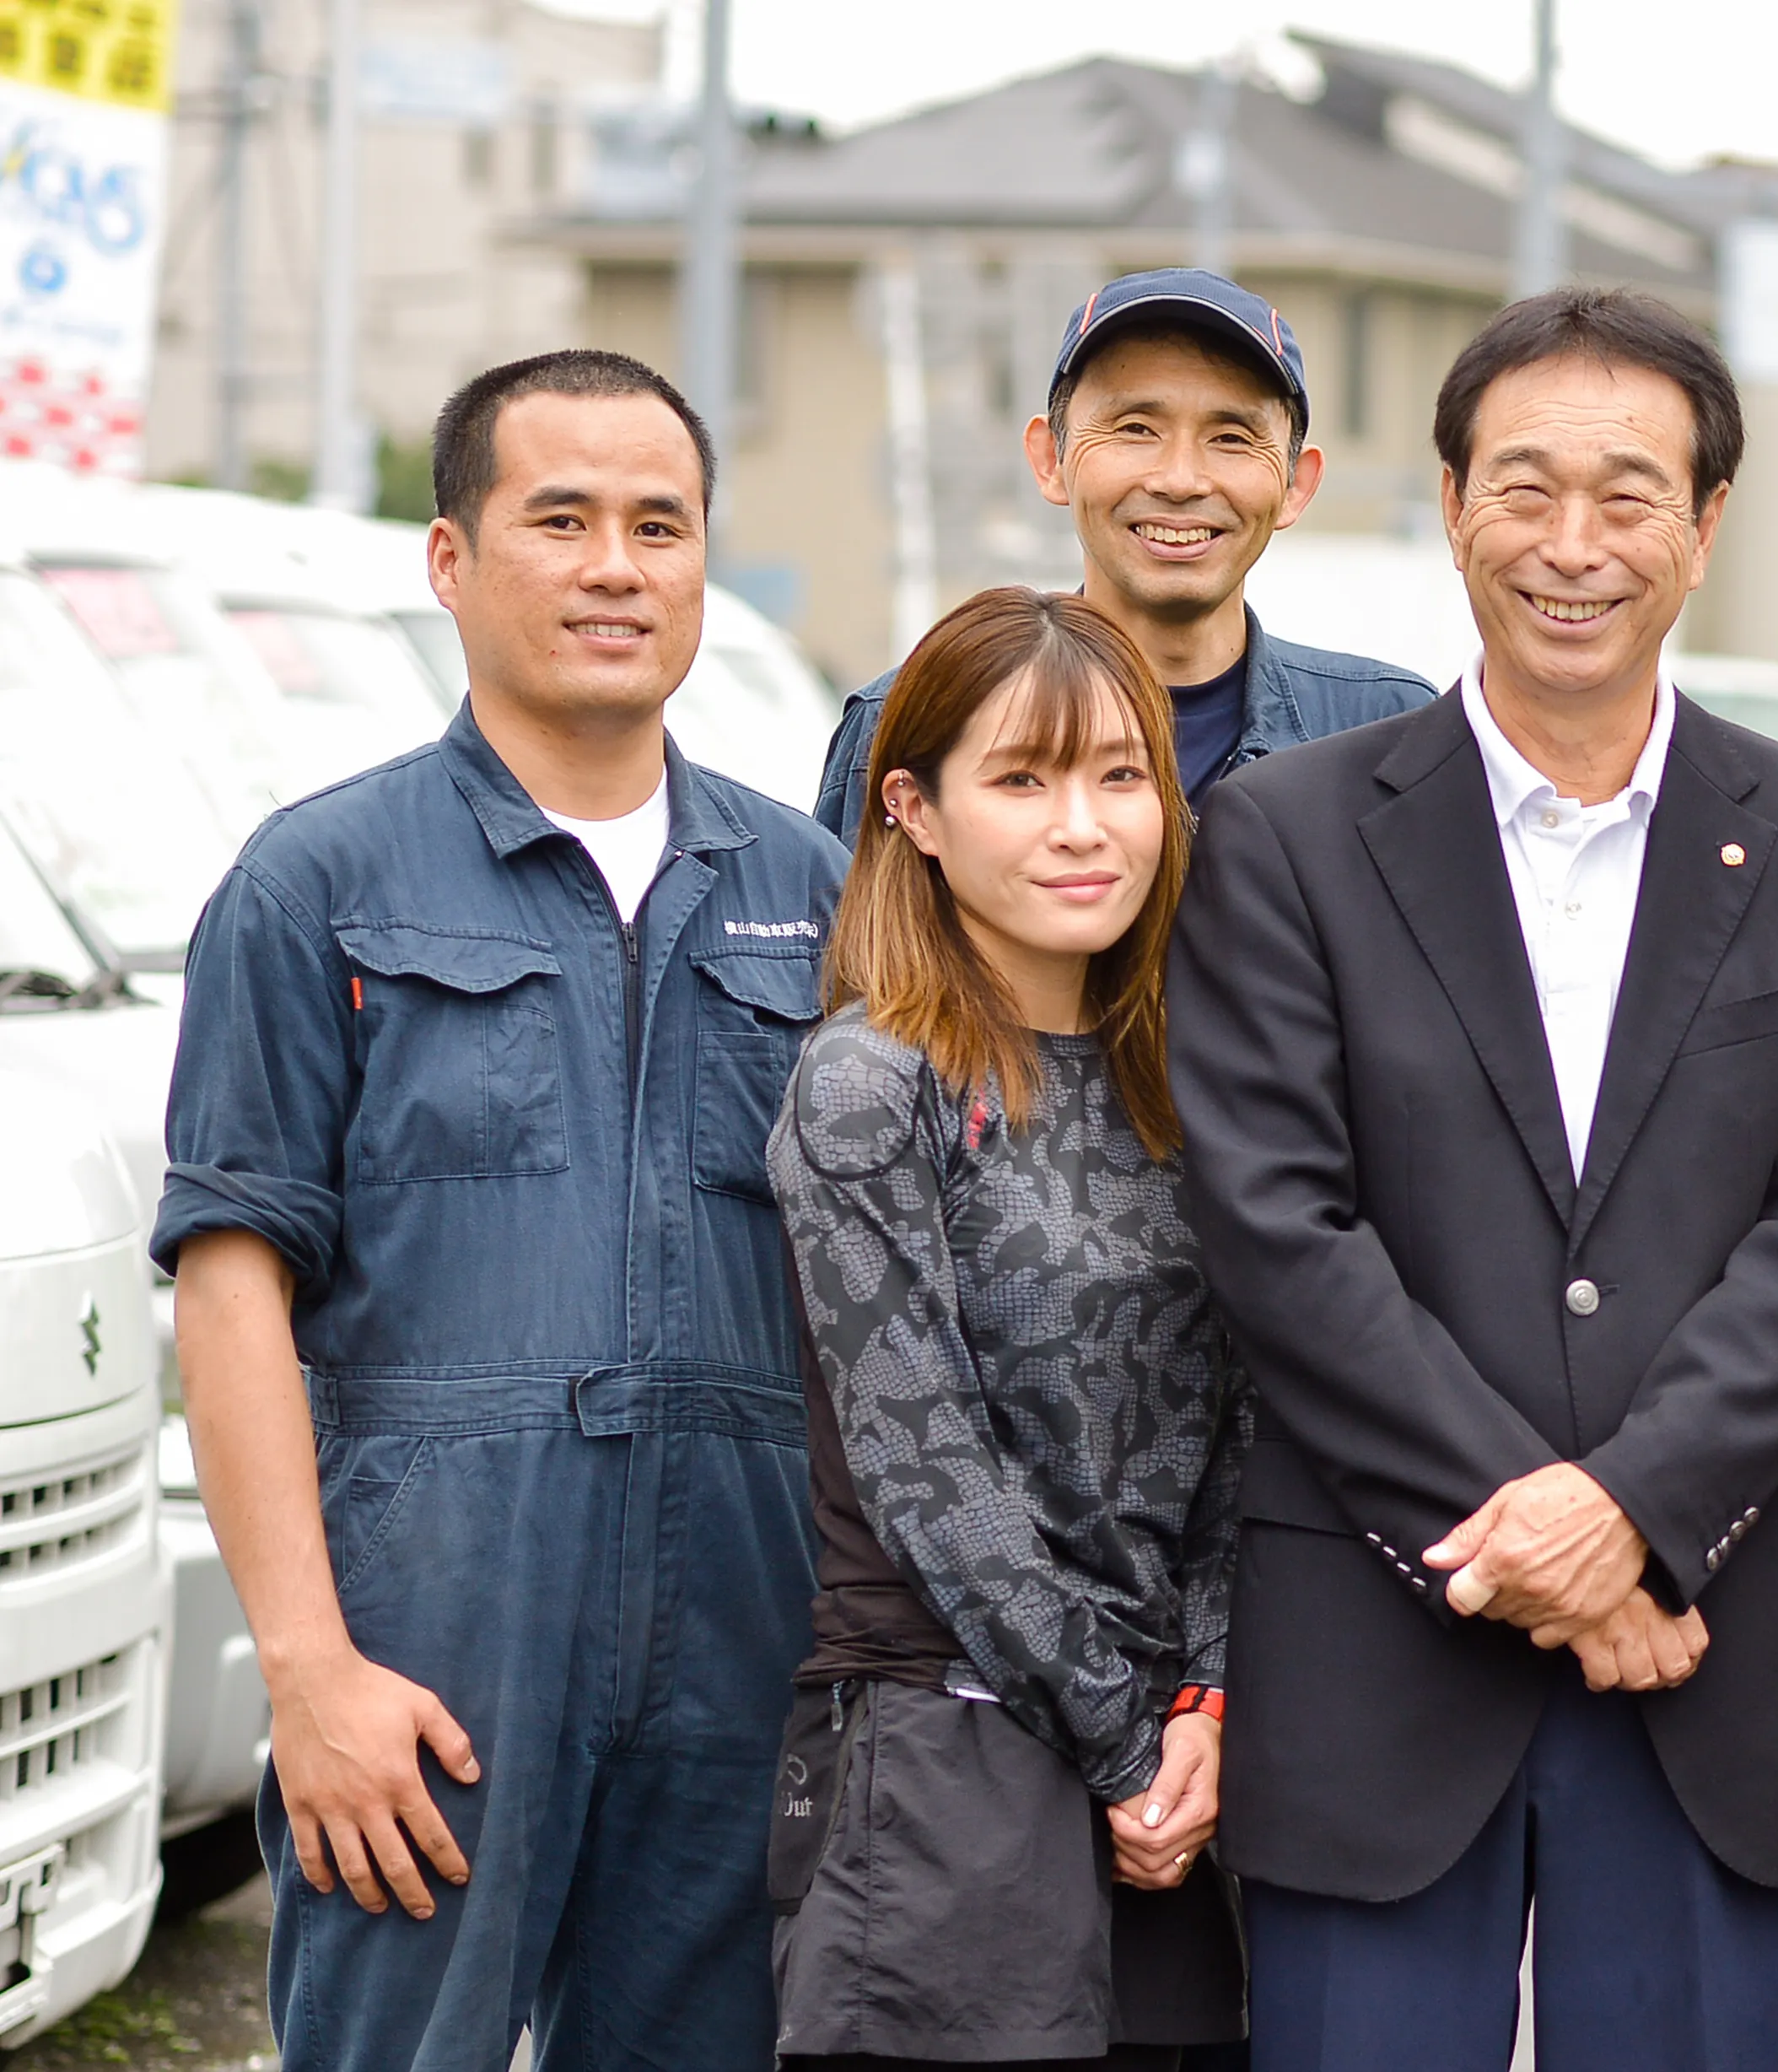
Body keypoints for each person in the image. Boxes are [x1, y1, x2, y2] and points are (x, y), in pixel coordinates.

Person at [1166, 286, 1778, 2072]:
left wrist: (1634, 1514)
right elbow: (1275, 1222)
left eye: (1626, 494)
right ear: (1449, 507)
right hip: (1381, 1642)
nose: (1571, 545)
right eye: (1523, 489)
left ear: (1706, 525)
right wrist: (1539, 1532)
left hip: (1712, 1649)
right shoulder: (1287, 835)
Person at [154, 351, 845, 2069]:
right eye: (563, 519)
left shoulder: (814, 899)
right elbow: (232, 1286)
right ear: (452, 560)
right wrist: (308, 1672)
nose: (618, 565)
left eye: (659, 525)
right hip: (431, 1649)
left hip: (742, 1657)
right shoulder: (318, 884)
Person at [765, 588, 1247, 2069]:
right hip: (947, 1759)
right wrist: (1120, 1743)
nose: (1082, 826)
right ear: (912, 806)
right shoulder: (871, 1083)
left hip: (1183, 1771)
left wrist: (1207, 1703)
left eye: (1119, 776)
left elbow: (1243, 1421)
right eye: (1023, 780)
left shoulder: (1192, 1072)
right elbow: (931, 1474)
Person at [812, 268, 1432, 842]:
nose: (1181, 479)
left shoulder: (1390, 734)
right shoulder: (915, 726)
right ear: (1050, 459)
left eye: (1231, 438)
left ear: (1297, 485)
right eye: (1136, 428)